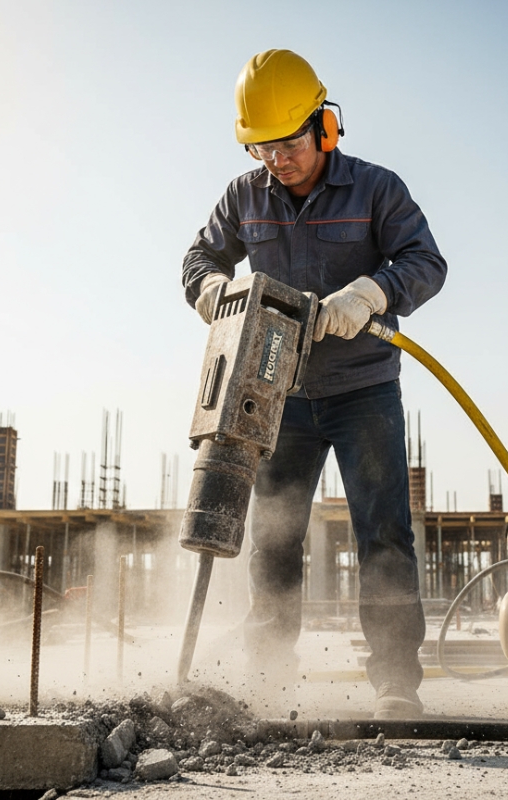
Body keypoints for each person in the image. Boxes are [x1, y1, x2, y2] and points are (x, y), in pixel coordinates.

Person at [182, 49, 447, 719]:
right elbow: (199, 258)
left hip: (364, 390)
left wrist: (374, 292)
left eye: (290, 143)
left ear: (324, 127)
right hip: (280, 396)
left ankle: (394, 683)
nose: (278, 160)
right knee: (273, 539)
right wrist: (214, 289)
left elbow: (426, 261)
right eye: (263, 147)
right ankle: (268, 678)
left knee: (384, 534)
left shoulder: (376, 189)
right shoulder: (244, 197)